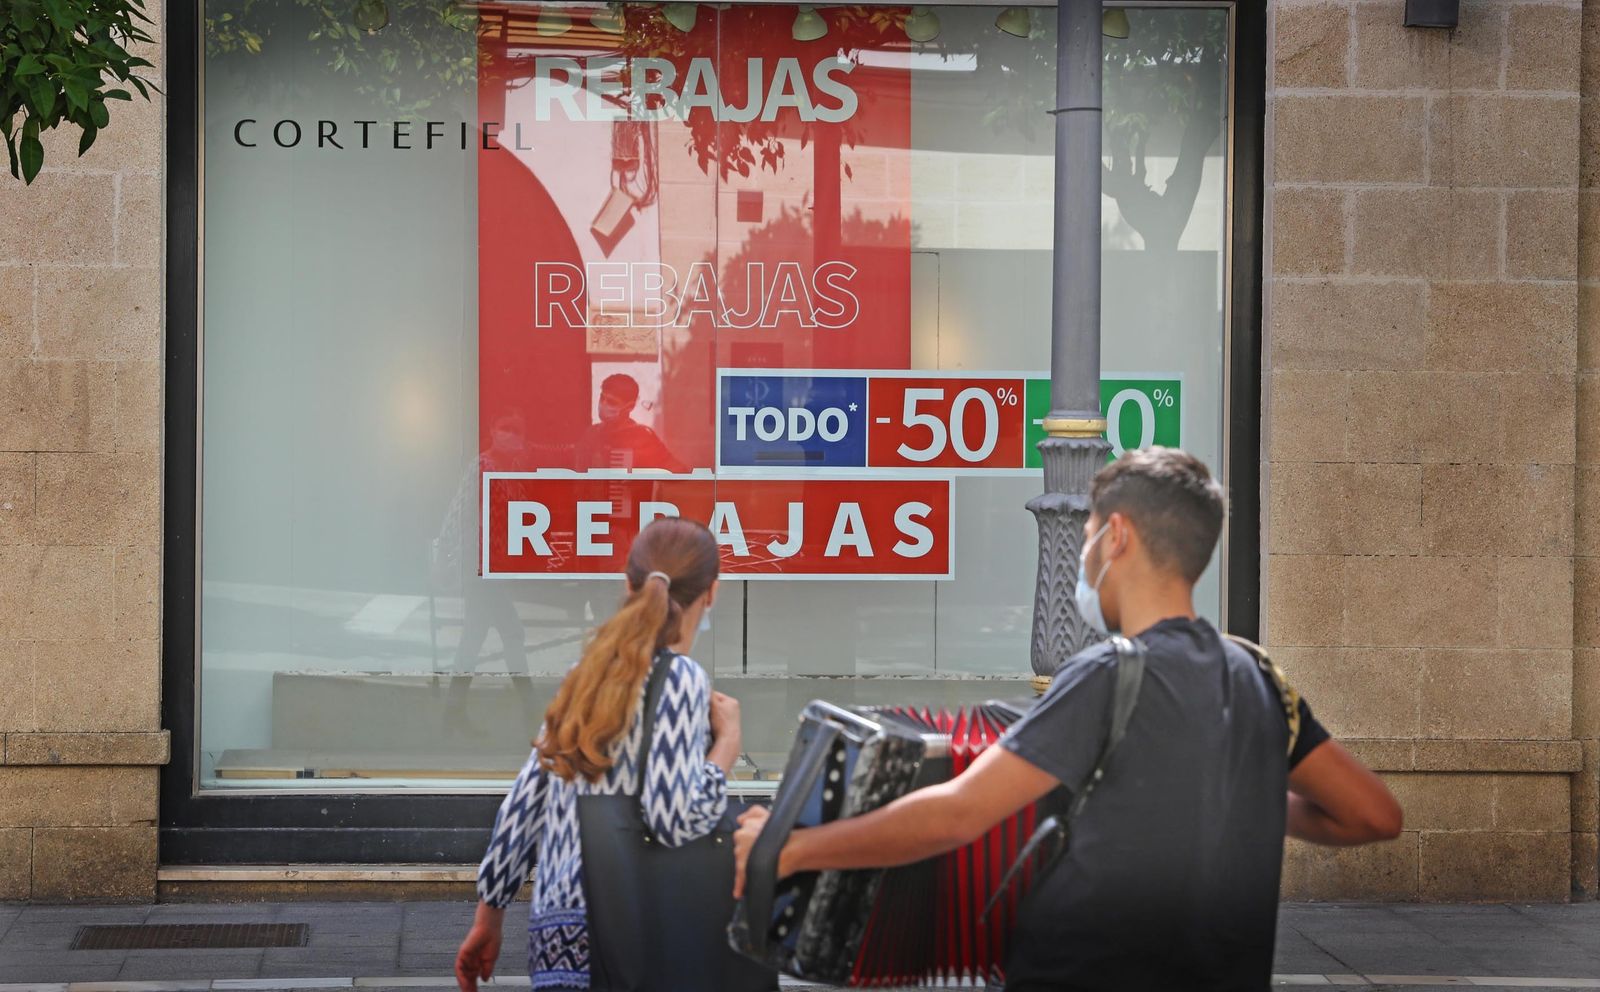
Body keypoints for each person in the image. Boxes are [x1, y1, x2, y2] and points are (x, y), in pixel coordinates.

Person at [733, 447, 1403, 992]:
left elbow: (959, 813)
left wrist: (792, 848)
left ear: (1117, 536)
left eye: (1086, 537)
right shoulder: (1258, 677)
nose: (1084, 557)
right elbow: (1374, 815)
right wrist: (1234, 793)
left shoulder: (1113, 673)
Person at [456, 517, 741, 991]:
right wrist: (726, 747)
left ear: (628, 584)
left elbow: (525, 803)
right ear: (711, 593)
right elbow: (675, 819)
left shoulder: (585, 673)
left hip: (557, 934)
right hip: (636, 936)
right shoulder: (681, 680)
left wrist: (489, 916)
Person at [574, 373, 688, 474]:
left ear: (630, 406)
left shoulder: (643, 437)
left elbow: (678, 471)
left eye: (612, 402)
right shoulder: (591, 434)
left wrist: (641, 474)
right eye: (602, 398)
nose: (603, 404)